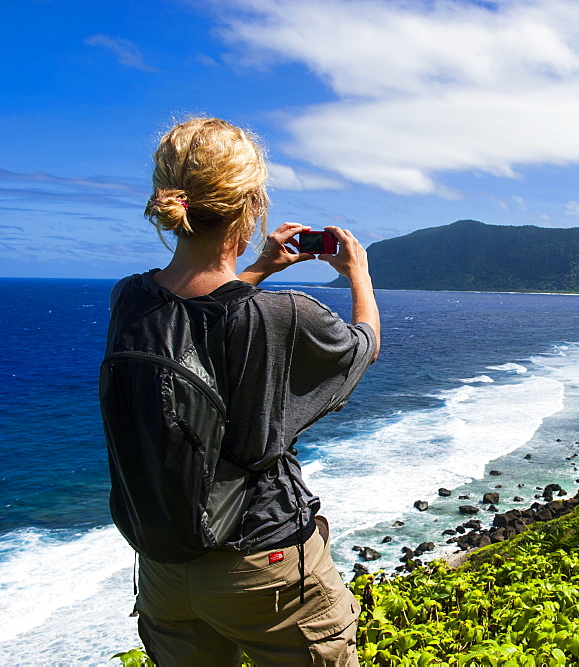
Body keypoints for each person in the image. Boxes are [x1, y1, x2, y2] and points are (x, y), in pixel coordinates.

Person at [102, 117, 379, 666]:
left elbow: (194, 320)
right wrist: (360, 275)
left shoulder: (129, 301)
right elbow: (362, 347)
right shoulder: (284, 315)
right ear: (252, 206)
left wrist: (254, 270)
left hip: (164, 566)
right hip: (265, 566)